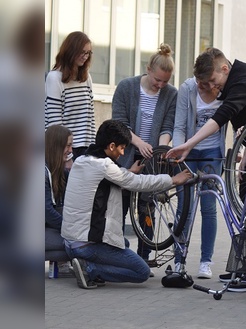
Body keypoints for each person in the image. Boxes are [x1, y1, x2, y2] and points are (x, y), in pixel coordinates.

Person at [165, 47, 246, 292]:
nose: (213, 87)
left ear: (225, 69)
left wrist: (188, 144)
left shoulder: (241, 84)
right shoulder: (238, 82)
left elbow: (220, 118)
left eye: (214, 81)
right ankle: (244, 271)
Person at [61, 120, 192, 289]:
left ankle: (86, 264)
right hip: (86, 245)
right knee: (141, 272)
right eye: (122, 148)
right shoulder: (104, 165)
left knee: (124, 243)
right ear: (112, 145)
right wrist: (173, 179)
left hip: (70, 243)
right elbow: (137, 183)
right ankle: (90, 269)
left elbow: (104, 180)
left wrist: (128, 172)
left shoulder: (82, 160)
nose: (123, 153)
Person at [112, 43, 178, 268]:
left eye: (165, 82)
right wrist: (139, 143)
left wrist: (161, 150)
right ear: (148, 69)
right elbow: (119, 123)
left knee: (147, 207)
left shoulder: (171, 94)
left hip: (152, 159)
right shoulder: (126, 87)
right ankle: (118, 254)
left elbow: (168, 126)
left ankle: (144, 257)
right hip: (126, 155)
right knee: (118, 206)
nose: (160, 85)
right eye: (156, 80)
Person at [171, 54, 228, 279]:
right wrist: (178, 151)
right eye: (200, 82)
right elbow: (178, 125)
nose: (204, 86)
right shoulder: (188, 89)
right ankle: (179, 258)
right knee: (184, 204)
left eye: (207, 82)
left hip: (213, 153)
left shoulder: (223, 89)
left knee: (208, 206)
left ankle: (206, 261)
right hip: (188, 150)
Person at [45, 31, 95, 160]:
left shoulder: (86, 77)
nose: (85, 56)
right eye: (82, 52)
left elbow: (90, 118)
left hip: (85, 149)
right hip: (62, 150)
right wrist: (67, 157)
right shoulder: (54, 78)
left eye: (88, 53)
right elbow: (55, 124)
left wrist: (93, 150)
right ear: (71, 51)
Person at [45, 125, 73, 276]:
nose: (70, 151)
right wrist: (71, 229)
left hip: (46, 229)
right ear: (56, 146)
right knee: (79, 246)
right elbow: (46, 211)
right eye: (68, 146)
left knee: (81, 246)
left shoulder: (61, 172)